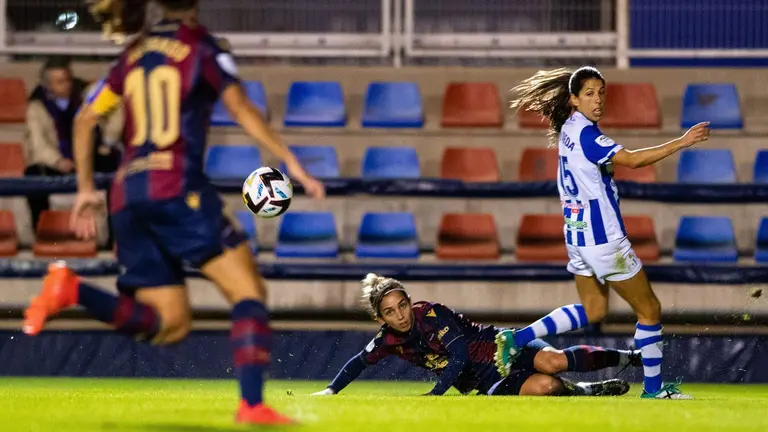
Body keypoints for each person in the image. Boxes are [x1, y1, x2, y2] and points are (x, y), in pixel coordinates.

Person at [22, 0, 325, 425]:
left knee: (170, 324)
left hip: (128, 196)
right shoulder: (201, 46)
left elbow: (86, 118)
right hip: (177, 188)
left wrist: (88, 188)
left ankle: (71, 290)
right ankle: (252, 405)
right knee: (248, 292)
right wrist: (291, 162)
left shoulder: (133, 53)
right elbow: (240, 108)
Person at [496, 66, 711, 399]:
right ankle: (653, 391)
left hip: (577, 235)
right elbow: (634, 161)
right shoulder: (587, 135)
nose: (598, 100)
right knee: (650, 310)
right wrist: (682, 142)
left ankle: (518, 338)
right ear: (574, 100)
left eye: (601, 92)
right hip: (603, 239)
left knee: (594, 311)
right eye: (589, 94)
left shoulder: (568, 127)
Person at [311, 273, 641, 398]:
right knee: (547, 386)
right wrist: (330, 391)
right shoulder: (387, 340)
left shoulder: (430, 314)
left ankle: (628, 358)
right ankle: (586, 391)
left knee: (552, 361)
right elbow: (358, 362)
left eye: (402, 305)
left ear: (410, 302)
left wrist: (437, 393)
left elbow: (461, 356)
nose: (399, 315)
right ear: (380, 317)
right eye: (389, 312)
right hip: (484, 382)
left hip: (502, 346)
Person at [24, 56, 122, 230]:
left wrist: (107, 141)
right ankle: (42, 231)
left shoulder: (86, 95)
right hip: (58, 163)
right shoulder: (37, 106)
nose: (67, 84)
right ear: (49, 86)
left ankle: (115, 234)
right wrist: (58, 161)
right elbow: (38, 144)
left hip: (92, 158)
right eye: (60, 82)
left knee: (116, 168)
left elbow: (117, 108)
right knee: (32, 175)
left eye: (68, 79)